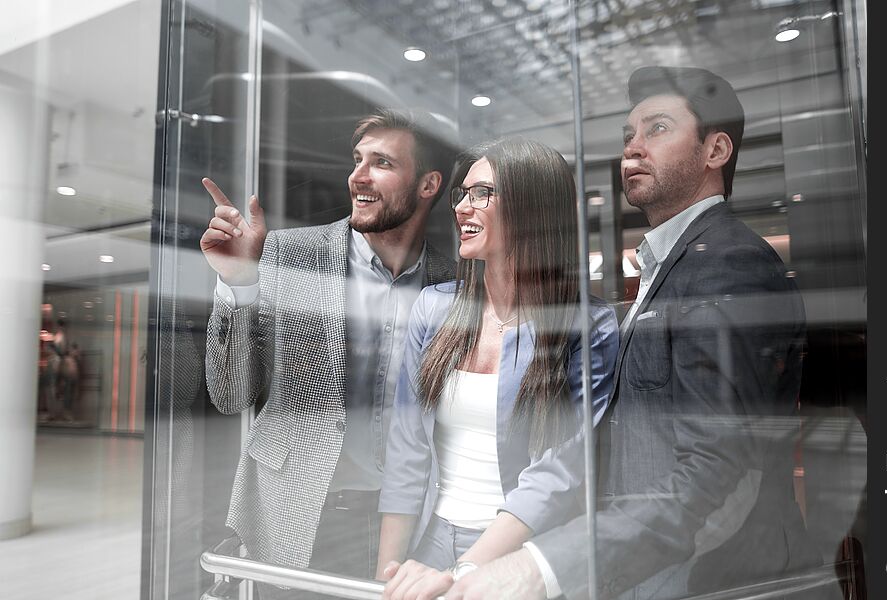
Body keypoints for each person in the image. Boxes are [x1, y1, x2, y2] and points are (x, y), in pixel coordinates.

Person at [445, 67, 822, 600]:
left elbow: (717, 474)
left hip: (715, 578)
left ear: (715, 150)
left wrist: (543, 566)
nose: (633, 148)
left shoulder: (727, 265)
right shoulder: (673, 264)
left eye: (658, 129)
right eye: (629, 135)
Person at [200, 108, 456, 596]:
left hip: (410, 522)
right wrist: (239, 287)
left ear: (427, 185)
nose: (357, 176)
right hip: (296, 513)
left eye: (381, 162)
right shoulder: (285, 254)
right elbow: (231, 395)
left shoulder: (454, 282)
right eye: (356, 160)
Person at [376, 138, 619, 600]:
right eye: (463, 194)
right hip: (429, 544)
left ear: (531, 208)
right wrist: (385, 573)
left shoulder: (585, 324)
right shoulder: (435, 308)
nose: (464, 207)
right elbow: (406, 452)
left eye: (483, 193)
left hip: (520, 557)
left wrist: (467, 569)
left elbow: (560, 472)